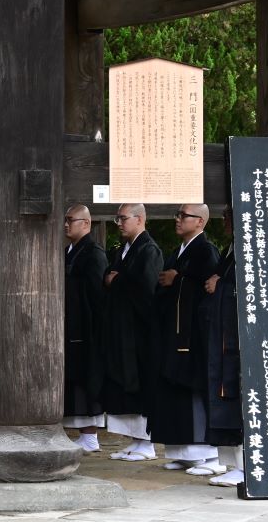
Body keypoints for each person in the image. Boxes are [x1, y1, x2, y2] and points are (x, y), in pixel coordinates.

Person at [149, 204, 222, 474]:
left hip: (193, 337)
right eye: (178, 215)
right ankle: (183, 452)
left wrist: (178, 279)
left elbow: (207, 291)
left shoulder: (206, 250)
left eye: (184, 216)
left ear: (200, 221)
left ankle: (208, 456)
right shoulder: (178, 251)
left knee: (193, 389)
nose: (177, 220)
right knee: (173, 391)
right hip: (174, 334)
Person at [100, 203, 164, 462]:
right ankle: (135, 440)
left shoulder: (149, 250)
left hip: (139, 332)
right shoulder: (124, 250)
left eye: (122, 218)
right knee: (123, 381)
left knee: (140, 382)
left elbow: (147, 288)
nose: (118, 223)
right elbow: (109, 275)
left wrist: (118, 280)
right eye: (117, 218)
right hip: (122, 329)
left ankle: (146, 442)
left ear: (139, 219)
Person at [201, 208, 244, 487]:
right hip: (221, 334)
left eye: (230, 217)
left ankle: (244, 464)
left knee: (234, 394)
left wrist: (222, 283)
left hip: (235, 340)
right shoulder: (230, 250)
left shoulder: (248, 248)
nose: (225, 222)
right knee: (221, 393)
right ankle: (232, 463)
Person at [62, 205, 108, 453]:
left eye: (71, 220)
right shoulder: (69, 251)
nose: (67, 224)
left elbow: (96, 296)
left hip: (86, 328)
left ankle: (90, 435)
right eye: (65, 220)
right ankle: (81, 433)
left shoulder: (94, 253)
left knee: (85, 378)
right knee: (72, 379)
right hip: (69, 325)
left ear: (87, 224)